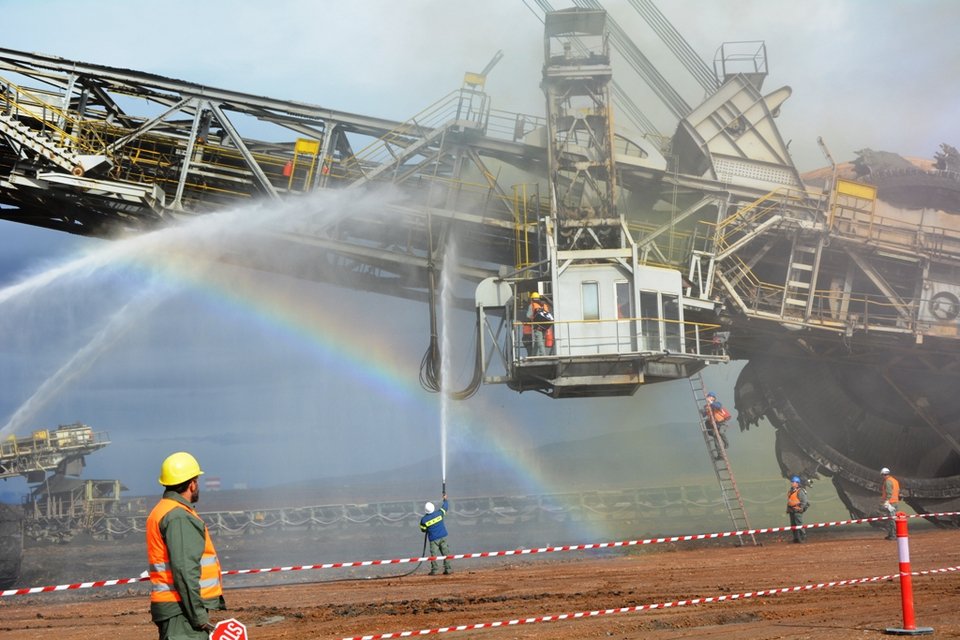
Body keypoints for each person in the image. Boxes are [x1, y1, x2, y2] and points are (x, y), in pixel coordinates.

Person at [146, 452, 225, 639]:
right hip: (182, 612)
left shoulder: (163, 510)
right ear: (192, 484)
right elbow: (184, 569)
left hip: (177, 609)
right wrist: (198, 615)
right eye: (197, 480)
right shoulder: (178, 516)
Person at [419, 493, 452, 575]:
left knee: (433, 555)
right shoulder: (439, 514)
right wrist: (445, 499)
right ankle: (448, 569)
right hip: (443, 537)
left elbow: (423, 530)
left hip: (433, 540)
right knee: (446, 553)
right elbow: (445, 507)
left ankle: (435, 570)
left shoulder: (424, 520)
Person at [703, 392, 732, 457]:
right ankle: (720, 455)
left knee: (721, 432)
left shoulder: (717, 403)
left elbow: (718, 406)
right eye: (708, 397)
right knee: (715, 438)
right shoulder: (707, 406)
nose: (708, 398)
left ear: (713, 398)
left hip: (723, 423)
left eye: (710, 397)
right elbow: (704, 415)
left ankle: (726, 444)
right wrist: (704, 410)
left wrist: (710, 402)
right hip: (716, 425)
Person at [526, 292, 554, 357]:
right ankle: (533, 355)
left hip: (537, 326)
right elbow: (548, 315)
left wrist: (533, 319)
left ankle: (543, 355)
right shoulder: (544, 305)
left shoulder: (532, 305)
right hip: (545, 326)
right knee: (538, 341)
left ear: (532, 299)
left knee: (539, 341)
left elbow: (528, 315)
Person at [786, 475, 809, 543]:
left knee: (799, 524)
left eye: (794, 482)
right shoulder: (791, 491)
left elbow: (804, 501)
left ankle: (802, 537)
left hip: (797, 510)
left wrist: (800, 508)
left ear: (797, 483)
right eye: (792, 482)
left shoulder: (800, 491)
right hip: (791, 510)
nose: (792, 483)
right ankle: (796, 538)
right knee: (793, 525)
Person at [880, 467, 900, 540]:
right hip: (895, 502)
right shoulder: (895, 481)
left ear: (883, 474)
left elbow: (889, 492)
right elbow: (897, 490)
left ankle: (893, 535)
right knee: (892, 519)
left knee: (892, 520)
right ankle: (891, 534)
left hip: (891, 503)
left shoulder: (888, 481)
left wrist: (887, 501)